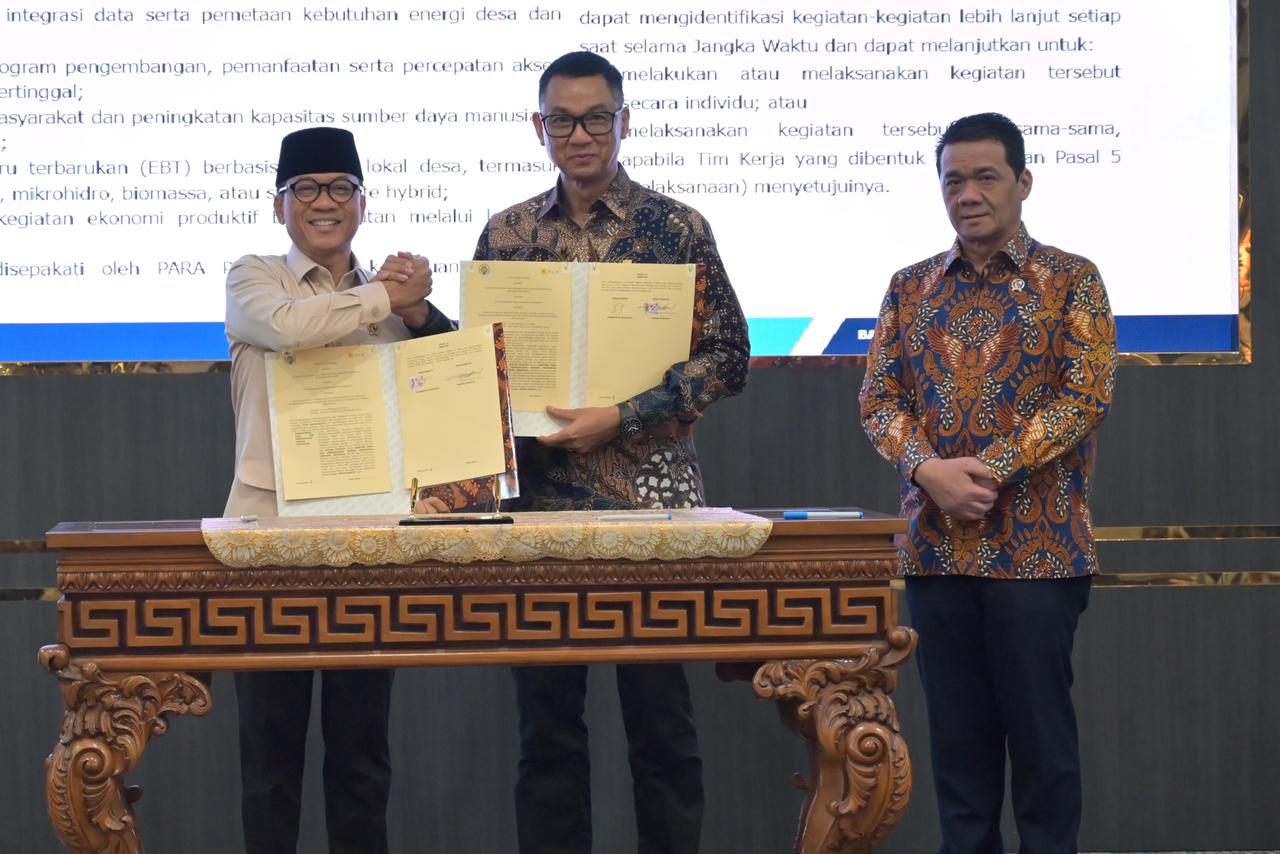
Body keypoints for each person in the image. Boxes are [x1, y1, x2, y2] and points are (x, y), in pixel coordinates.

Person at [472, 51, 750, 854]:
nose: (581, 135)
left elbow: (729, 357)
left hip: (651, 507)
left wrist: (624, 416)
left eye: (597, 118)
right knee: (547, 733)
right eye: (562, 120)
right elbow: (481, 366)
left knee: (662, 727)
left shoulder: (677, 228)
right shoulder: (507, 234)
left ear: (624, 121)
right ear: (539, 128)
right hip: (540, 510)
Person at [858, 112, 1118, 854]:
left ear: (1022, 182)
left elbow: (1085, 396)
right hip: (937, 552)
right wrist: (927, 470)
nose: (967, 194)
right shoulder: (909, 287)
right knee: (959, 753)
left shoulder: (1072, 280)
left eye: (985, 177)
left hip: (1039, 554)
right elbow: (877, 401)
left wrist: (991, 470)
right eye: (953, 180)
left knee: (1041, 746)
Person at [223, 125, 453, 854]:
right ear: (279, 204)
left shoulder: (393, 303)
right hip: (268, 544)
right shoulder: (254, 278)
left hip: (368, 543)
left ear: (362, 202)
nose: (325, 202)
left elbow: (449, 377)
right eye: (307, 189)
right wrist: (386, 294)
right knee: (270, 764)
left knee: (361, 759)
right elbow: (289, 329)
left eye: (340, 188)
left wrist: (418, 313)